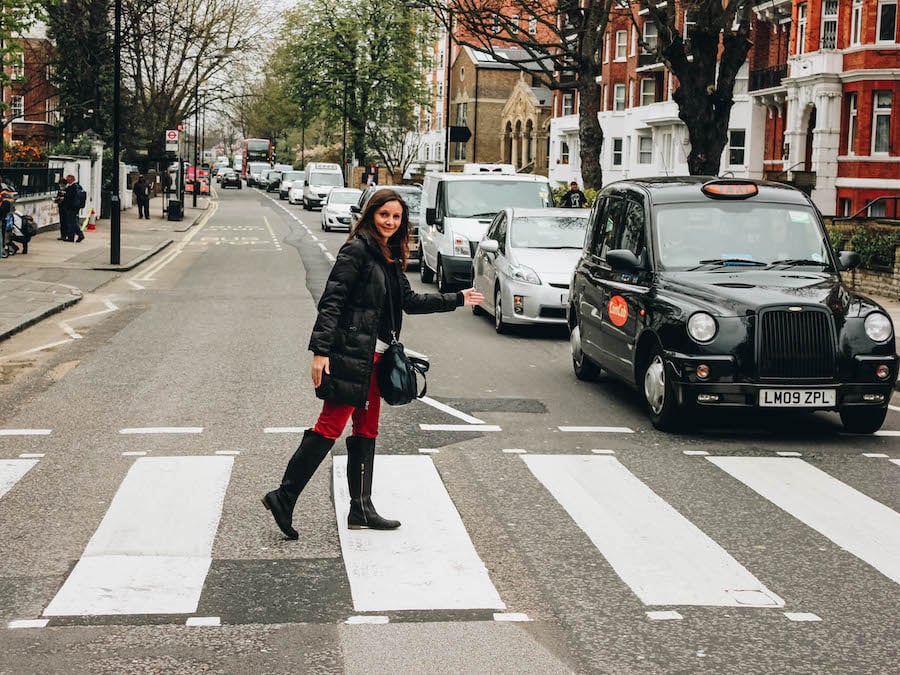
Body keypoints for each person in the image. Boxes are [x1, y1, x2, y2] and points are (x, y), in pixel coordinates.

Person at [262, 189, 484, 540]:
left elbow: (409, 301)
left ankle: (360, 508)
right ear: (371, 215)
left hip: (376, 359)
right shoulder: (357, 250)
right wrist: (321, 352)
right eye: (384, 215)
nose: (390, 223)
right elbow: (332, 301)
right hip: (350, 355)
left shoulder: (388, 256)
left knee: (367, 430)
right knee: (329, 426)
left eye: (396, 218)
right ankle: (284, 496)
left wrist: (456, 298)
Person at [62, 174, 85, 242]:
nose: (66, 180)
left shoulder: (73, 187)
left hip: (72, 207)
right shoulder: (77, 186)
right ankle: (71, 237)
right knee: (72, 222)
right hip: (74, 207)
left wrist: (64, 195)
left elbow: (70, 197)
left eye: (67, 179)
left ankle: (79, 235)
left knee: (72, 222)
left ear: (71, 179)